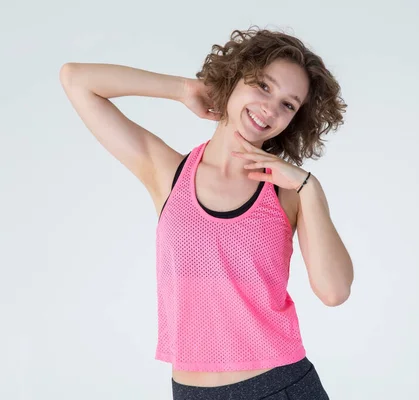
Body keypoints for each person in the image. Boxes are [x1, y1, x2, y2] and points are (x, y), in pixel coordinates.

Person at [60, 26, 354, 399]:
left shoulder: (289, 192)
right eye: (263, 85)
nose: (270, 108)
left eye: (288, 104)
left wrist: (310, 188)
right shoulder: (168, 174)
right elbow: (76, 80)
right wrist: (183, 89)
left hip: (279, 386)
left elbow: (334, 291)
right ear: (234, 78)